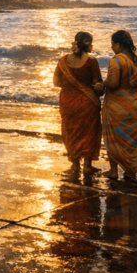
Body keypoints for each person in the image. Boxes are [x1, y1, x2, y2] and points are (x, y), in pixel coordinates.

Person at [94, 30, 137, 180]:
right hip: (136, 105)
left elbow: (113, 83)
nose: (112, 48)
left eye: (112, 45)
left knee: (114, 138)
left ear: (118, 45)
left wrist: (101, 85)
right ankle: (131, 171)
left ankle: (113, 170)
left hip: (117, 106)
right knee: (132, 139)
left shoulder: (117, 60)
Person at [53, 31, 103, 175]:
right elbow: (97, 83)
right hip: (87, 103)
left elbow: (56, 82)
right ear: (89, 45)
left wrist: (69, 86)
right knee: (88, 132)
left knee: (71, 131)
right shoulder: (91, 61)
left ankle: (75, 165)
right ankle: (87, 165)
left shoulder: (63, 60)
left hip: (68, 102)